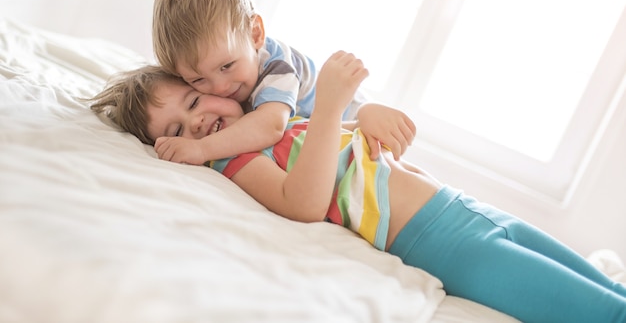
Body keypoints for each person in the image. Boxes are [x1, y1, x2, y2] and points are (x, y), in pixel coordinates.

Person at [90, 51, 626, 323]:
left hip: (466, 209)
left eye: (192, 101)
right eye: (176, 132)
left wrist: (358, 118)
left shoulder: (270, 116)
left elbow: (340, 142)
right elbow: (302, 202)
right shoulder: (234, 159)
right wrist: (327, 110)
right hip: (443, 243)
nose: (198, 123)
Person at [151, 0, 365, 166]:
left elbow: (271, 127)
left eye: (226, 66)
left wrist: (201, 149)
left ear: (255, 34)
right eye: (198, 80)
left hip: (354, 120)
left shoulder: (278, 66)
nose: (220, 88)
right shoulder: (228, 66)